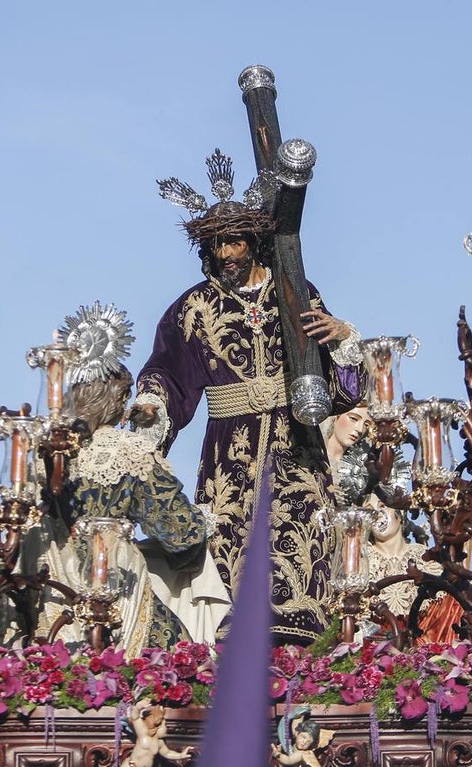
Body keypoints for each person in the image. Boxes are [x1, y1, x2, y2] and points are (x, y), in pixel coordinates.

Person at [130, 150, 364, 644]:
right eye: (217, 245)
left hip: (295, 442)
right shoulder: (193, 307)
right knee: (229, 542)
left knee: (300, 537)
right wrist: (151, 403)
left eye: (234, 241)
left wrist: (341, 337)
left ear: (254, 242)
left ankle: (308, 647)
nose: (226, 254)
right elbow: (168, 371)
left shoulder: (296, 290)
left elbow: (339, 388)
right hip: (228, 448)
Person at [34, 304, 229, 653]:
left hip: (46, 589)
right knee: (177, 663)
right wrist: (203, 528)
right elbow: (181, 534)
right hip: (115, 589)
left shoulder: (39, 453)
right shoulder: (128, 452)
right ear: (116, 400)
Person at [126, 703, 194, 767]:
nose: (167, 729)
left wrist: (181, 755)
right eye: (165, 726)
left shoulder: (159, 743)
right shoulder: (143, 734)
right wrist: (137, 707)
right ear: (157, 726)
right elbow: (135, 718)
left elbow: (167, 753)